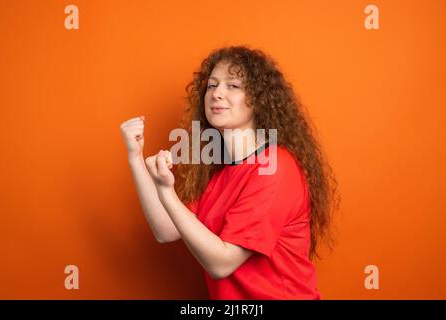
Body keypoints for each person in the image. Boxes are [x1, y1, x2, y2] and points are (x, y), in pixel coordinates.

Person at [119, 45, 340, 300]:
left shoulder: (275, 168)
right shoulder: (223, 173)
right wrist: (135, 157)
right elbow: (165, 229)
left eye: (232, 85)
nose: (217, 94)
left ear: (258, 99)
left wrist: (167, 192)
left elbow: (220, 264)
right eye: (212, 85)